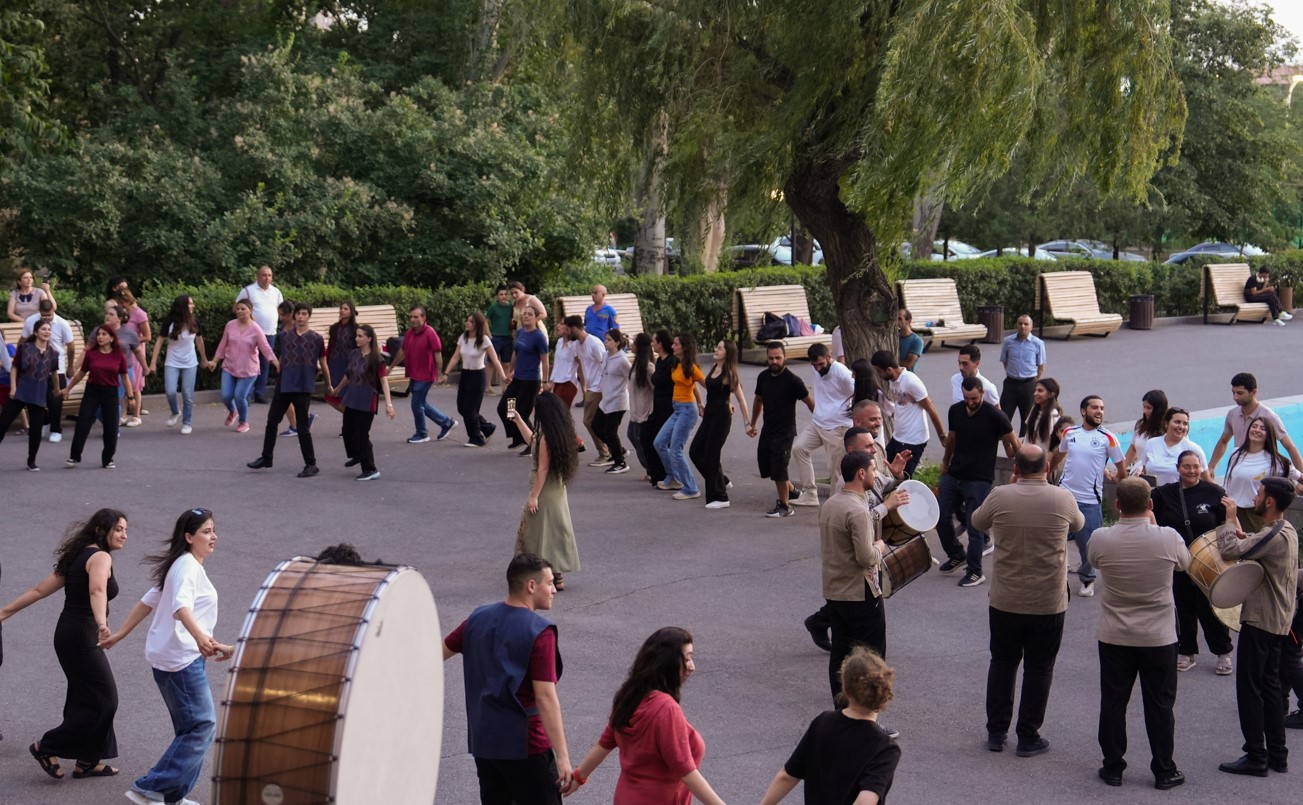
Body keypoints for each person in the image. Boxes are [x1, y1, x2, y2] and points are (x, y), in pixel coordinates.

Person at [101, 508, 233, 805]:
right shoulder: (186, 567)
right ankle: (150, 788)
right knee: (202, 726)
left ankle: (171, 795)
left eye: (213, 530)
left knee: (190, 729)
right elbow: (181, 608)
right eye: (206, 531)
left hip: (177, 657)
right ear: (189, 537)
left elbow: (148, 601)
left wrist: (120, 633)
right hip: (181, 661)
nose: (214, 536)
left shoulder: (183, 565)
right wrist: (200, 638)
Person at [0, 509, 130, 780]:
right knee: (106, 699)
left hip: (68, 634)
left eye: (125, 530)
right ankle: (46, 747)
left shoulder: (79, 555)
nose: (124, 534)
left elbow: (38, 590)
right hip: (82, 635)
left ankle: (87, 761)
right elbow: (97, 590)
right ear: (100, 531)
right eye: (118, 529)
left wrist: (4, 612)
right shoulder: (100, 557)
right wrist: (101, 622)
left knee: (85, 697)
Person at [971, 445, 1083, 758]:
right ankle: (1028, 735)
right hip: (1048, 600)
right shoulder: (1062, 498)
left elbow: (978, 522)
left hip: (1006, 597)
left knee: (1002, 663)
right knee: (1039, 668)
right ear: (1047, 469)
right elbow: (1079, 526)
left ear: (1015, 469)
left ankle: (996, 732)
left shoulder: (1000, 495)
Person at [1087, 478, 1191, 789]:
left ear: (1117, 505)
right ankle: (1163, 769)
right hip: (1158, 636)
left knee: (1114, 701)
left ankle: (1113, 767)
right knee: (1160, 705)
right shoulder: (1168, 538)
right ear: (1150, 505)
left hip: (1115, 633)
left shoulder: (1101, 538)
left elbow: (1092, 560)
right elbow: (1185, 565)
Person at [443, 554, 572, 803]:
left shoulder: (476, 618)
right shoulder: (539, 631)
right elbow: (545, 698)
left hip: (485, 743)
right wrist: (563, 756)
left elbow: (436, 653)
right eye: (549, 582)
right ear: (531, 586)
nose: (554, 589)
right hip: (526, 745)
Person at [567, 627, 726, 805]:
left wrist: (578, 777)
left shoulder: (630, 696)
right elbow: (686, 772)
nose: (692, 667)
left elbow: (604, 743)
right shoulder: (666, 709)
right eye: (687, 658)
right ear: (669, 662)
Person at [1216, 477, 1299, 777]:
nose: (1256, 495)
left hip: (1262, 620)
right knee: (1271, 687)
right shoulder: (1284, 529)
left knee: (1250, 689)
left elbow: (1228, 550)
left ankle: (1255, 756)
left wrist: (1228, 521)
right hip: (1277, 620)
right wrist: (1245, 535)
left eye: (1260, 492)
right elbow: (1257, 542)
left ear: (1270, 502)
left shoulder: (1275, 534)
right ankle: (1278, 755)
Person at [759, 647, 900, 805]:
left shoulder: (823, 722)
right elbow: (865, 801)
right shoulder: (884, 747)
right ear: (885, 693)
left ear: (846, 690)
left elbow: (788, 776)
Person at [1151, 451, 1233, 674]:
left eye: (1196, 466)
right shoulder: (1164, 494)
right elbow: (1147, 511)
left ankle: (1223, 653)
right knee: (1183, 607)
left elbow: (1228, 521)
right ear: (1178, 468)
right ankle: (1186, 651)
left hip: (1208, 562)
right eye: (1187, 466)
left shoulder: (1214, 492)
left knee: (1210, 609)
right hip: (1177, 562)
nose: (1192, 471)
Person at [820, 451, 889, 705]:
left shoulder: (831, 503)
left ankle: (842, 713)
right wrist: (880, 547)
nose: (876, 474)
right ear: (861, 473)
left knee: (840, 656)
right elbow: (866, 557)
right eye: (873, 470)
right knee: (871, 658)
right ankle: (867, 717)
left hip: (835, 591)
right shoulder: (858, 510)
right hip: (861, 593)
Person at [938, 377, 1020, 587]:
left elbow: (1015, 444)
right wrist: (945, 463)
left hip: (979, 479)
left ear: (982, 393)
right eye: (966, 398)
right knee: (940, 517)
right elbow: (952, 440)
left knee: (975, 525)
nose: (970, 402)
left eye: (974, 398)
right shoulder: (955, 411)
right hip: (954, 473)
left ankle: (975, 571)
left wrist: (1020, 471)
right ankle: (957, 554)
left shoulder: (995, 416)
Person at [1050, 395, 1127, 597]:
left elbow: (1121, 468)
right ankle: (1054, 577)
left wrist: (1117, 478)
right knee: (1053, 539)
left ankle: (1087, 580)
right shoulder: (1069, 432)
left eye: (1102, 408)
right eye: (1094, 407)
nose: (1099, 411)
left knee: (1088, 546)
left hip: (1090, 502)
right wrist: (1048, 467)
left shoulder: (1108, 439)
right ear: (1083, 411)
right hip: (1064, 497)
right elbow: (1059, 452)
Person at [246, 302, 328, 478]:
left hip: (303, 386)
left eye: (304, 313)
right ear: (294, 315)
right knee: (272, 422)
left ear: (309, 316)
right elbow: (284, 355)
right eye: (298, 313)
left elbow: (323, 363)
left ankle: (311, 464)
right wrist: (280, 370)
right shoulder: (285, 336)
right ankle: (266, 458)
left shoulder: (316, 339)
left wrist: (329, 385)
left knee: (302, 427)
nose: (300, 316)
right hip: (284, 384)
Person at [510, 393, 580, 589]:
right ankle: (556, 576)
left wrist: (533, 496)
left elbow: (542, 468)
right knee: (554, 530)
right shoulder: (557, 433)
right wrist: (518, 420)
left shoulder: (546, 438)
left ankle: (537, 574)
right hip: (556, 489)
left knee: (534, 530)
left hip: (545, 490)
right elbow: (532, 442)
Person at [747, 342, 813, 517]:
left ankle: (785, 506)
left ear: (785, 358)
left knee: (779, 468)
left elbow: (810, 403)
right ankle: (791, 491)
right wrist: (753, 423)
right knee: (767, 465)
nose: (774, 361)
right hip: (768, 429)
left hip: (785, 431)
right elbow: (758, 400)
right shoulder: (763, 377)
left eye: (778, 357)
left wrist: (821, 424)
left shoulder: (793, 381)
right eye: (771, 358)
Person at [328, 323, 395, 481]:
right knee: (347, 430)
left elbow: (384, 382)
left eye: (360, 336)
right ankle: (357, 454)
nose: (356, 338)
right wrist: (337, 389)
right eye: (356, 335)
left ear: (369, 339)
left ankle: (370, 469)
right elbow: (349, 375)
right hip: (352, 397)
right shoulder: (353, 354)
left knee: (361, 434)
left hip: (366, 400)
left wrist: (389, 404)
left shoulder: (376, 359)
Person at [790, 342, 855, 506]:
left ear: (829, 357)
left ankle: (836, 504)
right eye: (814, 365)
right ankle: (810, 494)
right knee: (799, 448)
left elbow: (856, 394)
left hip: (837, 427)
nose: (818, 368)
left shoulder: (841, 373)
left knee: (835, 469)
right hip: (818, 422)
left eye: (821, 364)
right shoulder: (816, 367)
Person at [689, 339, 749, 509]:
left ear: (727, 353)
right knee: (695, 451)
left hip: (721, 418)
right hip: (709, 415)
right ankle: (722, 481)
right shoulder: (714, 368)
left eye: (720, 348)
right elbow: (716, 390)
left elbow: (742, 400)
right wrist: (725, 400)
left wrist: (747, 423)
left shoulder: (730, 373)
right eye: (717, 346)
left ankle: (721, 497)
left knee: (711, 455)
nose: (716, 349)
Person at [1208, 372, 1303, 476]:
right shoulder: (1232, 414)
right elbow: (1223, 441)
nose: (1235, 397)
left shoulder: (1269, 417)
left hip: (1263, 472)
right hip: (1240, 470)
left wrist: (1301, 477)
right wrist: (1211, 466)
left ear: (1253, 392)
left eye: (1240, 393)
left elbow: (1289, 446)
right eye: (1233, 392)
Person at [870, 350, 945, 478]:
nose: (878, 374)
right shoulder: (892, 380)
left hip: (913, 439)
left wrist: (942, 436)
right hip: (898, 436)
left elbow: (931, 408)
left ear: (889, 369)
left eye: (879, 371)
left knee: (903, 478)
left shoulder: (911, 381)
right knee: (884, 470)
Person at [63, 325, 129, 468]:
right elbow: (81, 374)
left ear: (111, 338)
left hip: (111, 392)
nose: (99, 337)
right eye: (98, 334)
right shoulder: (92, 354)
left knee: (111, 427)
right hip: (92, 391)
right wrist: (68, 388)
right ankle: (74, 456)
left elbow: (124, 377)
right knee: (83, 423)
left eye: (104, 334)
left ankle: (108, 458)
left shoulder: (119, 356)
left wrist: (131, 397)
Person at [1221, 416, 1302, 534]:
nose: (1257, 430)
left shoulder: (1276, 461)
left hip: (1254, 514)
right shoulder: (1235, 453)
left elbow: (1299, 477)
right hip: (1230, 510)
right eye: (1254, 426)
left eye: (1262, 428)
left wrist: (1299, 487)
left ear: (1268, 434)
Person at [211, 299, 279, 434]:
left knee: (239, 396)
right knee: (225, 395)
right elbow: (222, 344)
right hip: (229, 366)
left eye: (243, 309)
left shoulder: (256, 328)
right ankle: (233, 411)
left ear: (250, 310)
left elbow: (266, 348)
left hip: (249, 369)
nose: (240, 311)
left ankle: (243, 421)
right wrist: (214, 361)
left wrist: (276, 363)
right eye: (238, 309)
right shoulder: (230, 325)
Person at [393, 306, 458, 444]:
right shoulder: (410, 333)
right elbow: (402, 352)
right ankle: (446, 423)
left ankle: (422, 433)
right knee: (421, 403)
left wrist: (440, 373)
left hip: (425, 375)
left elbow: (437, 353)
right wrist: (390, 367)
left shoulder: (430, 332)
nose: (412, 319)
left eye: (416, 317)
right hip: (414, 374)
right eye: (411, 317)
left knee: (416, 404)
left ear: (423, 318)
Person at [0, 320, 59, 470]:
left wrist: (57, 390)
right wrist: (13, 387)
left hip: (39, 393)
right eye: (43, 329)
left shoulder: (53, 353)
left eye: (49, 330)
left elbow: (54, 373)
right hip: (21, 391)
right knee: (3, 424)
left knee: (36, 431)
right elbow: (14, 368)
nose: (47, 332)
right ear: (35, 332)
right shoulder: (25, 348)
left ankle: (31, 461)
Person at [441, 311, 505, 447]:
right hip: (465, 375)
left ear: (477, 325)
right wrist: (446, 373)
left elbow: (495, 360)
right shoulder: (463, 338)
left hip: (478, 376)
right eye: (467, 321)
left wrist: (503, 377)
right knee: (462, 407)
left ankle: (476, 438)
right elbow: (455, 357)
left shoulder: (484, 340)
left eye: (471, 321)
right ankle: (487, 428)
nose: (467, 323)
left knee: (470, 409)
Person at [654, 333, 706, 500]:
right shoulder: (676, 364)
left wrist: (725, 402)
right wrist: (700, 402)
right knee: (659, 442)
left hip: (687, 411)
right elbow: (693, 386)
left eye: (676, 344)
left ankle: (691, 488)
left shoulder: (691, 367)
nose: (672, 347)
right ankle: (674, 477)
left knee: (676, 449)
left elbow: (706, 385)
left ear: (684, 347)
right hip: (677, 409)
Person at [148, 295, 209, 435]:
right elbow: (159, 341)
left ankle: (187, 422)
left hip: (190, 362)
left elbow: (199, 341)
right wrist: (153, 363)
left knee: (187, 394)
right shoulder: (169, 321)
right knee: (170, 391)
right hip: (172, 361)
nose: (193, 306)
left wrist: (204, 359)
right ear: (182, 306)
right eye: (190, 304)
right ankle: (175, 411)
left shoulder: (194, 321)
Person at [21, 299, 76, 443]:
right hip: (36, 365)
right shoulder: (31, 321)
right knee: (35, 398)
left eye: (49, 315)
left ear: (54, 311)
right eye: (44, 316)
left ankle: (56, 429)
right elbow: (23, 340)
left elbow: (71, 346)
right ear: (39, 312)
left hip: (57, 365)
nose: (47, 318)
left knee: (55, 400)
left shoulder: (62, 323)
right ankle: (45, 420)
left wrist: (70, 366)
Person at [500, 306, 551, 453]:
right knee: (505, 408)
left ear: (536, 318)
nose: (526, 316)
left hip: (530, 380)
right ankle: (518, 437)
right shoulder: (521, 332)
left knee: (521, 412)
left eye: (530, 314)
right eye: (525, 314)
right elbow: (516, 352)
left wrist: (545, 381)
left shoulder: (539, 337)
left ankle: (532, 443)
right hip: (517, 379)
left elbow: (545, 361)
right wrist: (510, 371)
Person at [234, 264, 284, 403]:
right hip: (251, 333)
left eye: (269, 275)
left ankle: (260, 393)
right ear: (258, 276)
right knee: (249, 363)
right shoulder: (248, 291)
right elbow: (237, 307)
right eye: (264, 275)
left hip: (270, 333)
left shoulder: (276, 292)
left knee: (265, 363)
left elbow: (281, 309)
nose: (266, 278)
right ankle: (247, 394)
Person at [571, 315, 611, 464]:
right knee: (598, 422)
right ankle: (615, 450)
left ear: (574, 329)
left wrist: (606, 388)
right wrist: (584, 385)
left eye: (568, 329)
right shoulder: (577, 344)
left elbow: (605, 363)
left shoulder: (594, 343)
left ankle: (606, 453)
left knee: (589, 421)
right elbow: (581, 365)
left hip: (599, 386)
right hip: (591, 386)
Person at [999, 314, 1046, 436]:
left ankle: (1023, 448)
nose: (1022, 326)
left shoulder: (1038, 343)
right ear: (1016, 325)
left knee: (1027, 418)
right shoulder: (1008, 341)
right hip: (1011, 383)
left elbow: (1040, 366)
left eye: (1026, 324)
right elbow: (1005, 361)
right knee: (1003, 416)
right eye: (1020, 323)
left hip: (1029, 384)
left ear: (1031, 327)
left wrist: (1035, 381)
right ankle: (1005, 442)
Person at [641, 331, 677, 487]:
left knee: (661, 442)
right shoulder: (660, 362)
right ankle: (656, 473)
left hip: (669, 406)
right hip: (658, 405)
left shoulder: (672, 362)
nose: (652, 344)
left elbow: (684, 383)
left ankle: (669, 475)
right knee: (646, 435)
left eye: (654, 341)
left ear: (660, 343)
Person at [593, 329, 631, 474]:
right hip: (606, 399)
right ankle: (619, 450)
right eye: (605, 339)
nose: (606, 342)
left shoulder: (622, 360)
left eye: (609, 340)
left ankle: (620, 462)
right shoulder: (606, 355)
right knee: (596, 426)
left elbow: (631, 377)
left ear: (617, 342)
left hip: (618, 401)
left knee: (610, 432)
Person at [1139, 408, 1206, 487]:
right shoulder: (1151, 443)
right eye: (1177, 422)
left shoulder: (1194, 449)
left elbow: (1206, 478)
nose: (1181, 426)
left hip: (1179, 497)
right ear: (1166, 424)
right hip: (1153, 496)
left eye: (1185, 424)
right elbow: (1144, 472)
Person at [114, 290, 151, 413]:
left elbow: (147, 336)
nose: (121, 306)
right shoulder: (122, 316)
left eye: (123, 303)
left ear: (129, 301)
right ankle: (123, 414)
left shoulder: (139, 314)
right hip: (123, 351)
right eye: (119, 303)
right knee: (124, 384)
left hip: (135, 351)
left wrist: (130, 340)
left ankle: (137, 414)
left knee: (135, 385)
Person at [626, 333, 656, 479]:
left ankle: (652, 469)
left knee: (640, 440)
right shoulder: (637, 364)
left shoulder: (649, 368)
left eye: (633, 343)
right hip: (635, 410)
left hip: (644, 411)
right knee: (632, 436)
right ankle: (650, 468)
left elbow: (656, 389)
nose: (631, 345)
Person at [323, 301, 359, 414]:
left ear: (351, 312)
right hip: (334, 363)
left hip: (349, 364)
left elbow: (359, 347)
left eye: (346, 309)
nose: (342, 311)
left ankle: (349, 425)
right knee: (331, 396)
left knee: (347, 396)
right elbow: (330, 346)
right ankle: (350, 419)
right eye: (341, 308)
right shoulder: (334, 328)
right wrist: (326, 364)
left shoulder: (356, 329)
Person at [1123, 390, 1168, 471]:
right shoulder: (1140, 425)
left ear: (1159, 409)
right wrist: (1120, 471)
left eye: (1148, 408)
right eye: (1144, 407)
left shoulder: (1169, 429)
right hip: (1140, 475)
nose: (1144, 411)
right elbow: (1133, 448)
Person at [486, 286, 514, 393]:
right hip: (496, 337)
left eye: (505, 294)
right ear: (497, 296)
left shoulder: (510, 307)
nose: (503, 296)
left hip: (507, 337)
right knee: (491, 363)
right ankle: (488, 386)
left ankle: (505, 387)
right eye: (501, 294)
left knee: (506, 363)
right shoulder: (493, 307)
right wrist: (489, 335)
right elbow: (485, 321)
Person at [1023, 378, 1062, 451]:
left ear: (1051, 394)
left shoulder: (1053, 414)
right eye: (1035, 390)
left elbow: (1054, 442)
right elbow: (1028, 435)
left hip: (1042, 458)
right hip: (1028, 454)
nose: (1035, 393)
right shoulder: (1034, 409)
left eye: (1040, 391)